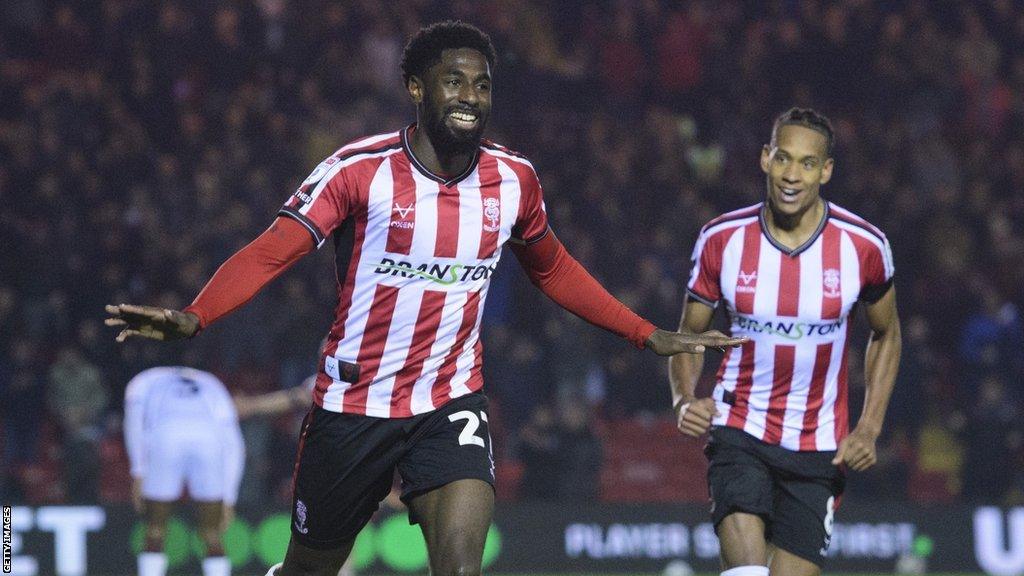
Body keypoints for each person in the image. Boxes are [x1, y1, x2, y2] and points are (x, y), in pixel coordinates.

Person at [106, 21, 744, 576]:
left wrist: (644, 333)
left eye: (483, 84)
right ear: (416, 88)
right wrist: (195, 316)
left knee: (462, 565)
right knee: (310, 566)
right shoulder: (359, 170)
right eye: (455, 82)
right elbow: (273, 249)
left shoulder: (514, 180)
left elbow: (553, 269)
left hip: (449, 401)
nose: (470, 97)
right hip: (353, 406)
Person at [669, 108, 902, 576]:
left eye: (808, 163)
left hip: (820, 446)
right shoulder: (722, 239)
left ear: (827, 170)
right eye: (783, 158)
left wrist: (870, 427)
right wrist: (682, 398)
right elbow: (688, 334)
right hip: (739, 428)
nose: (792, 175)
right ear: (764, 159)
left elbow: (887, 333)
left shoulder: (864, 247)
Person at [124, 366, 245, 576]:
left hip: (164, 438)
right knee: (212, 533)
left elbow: (133, 424)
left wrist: (138, 470)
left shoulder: (142, 379)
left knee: (154, 528)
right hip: (209, 442)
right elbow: (233, 443)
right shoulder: (210, 380)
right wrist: (228, 496)